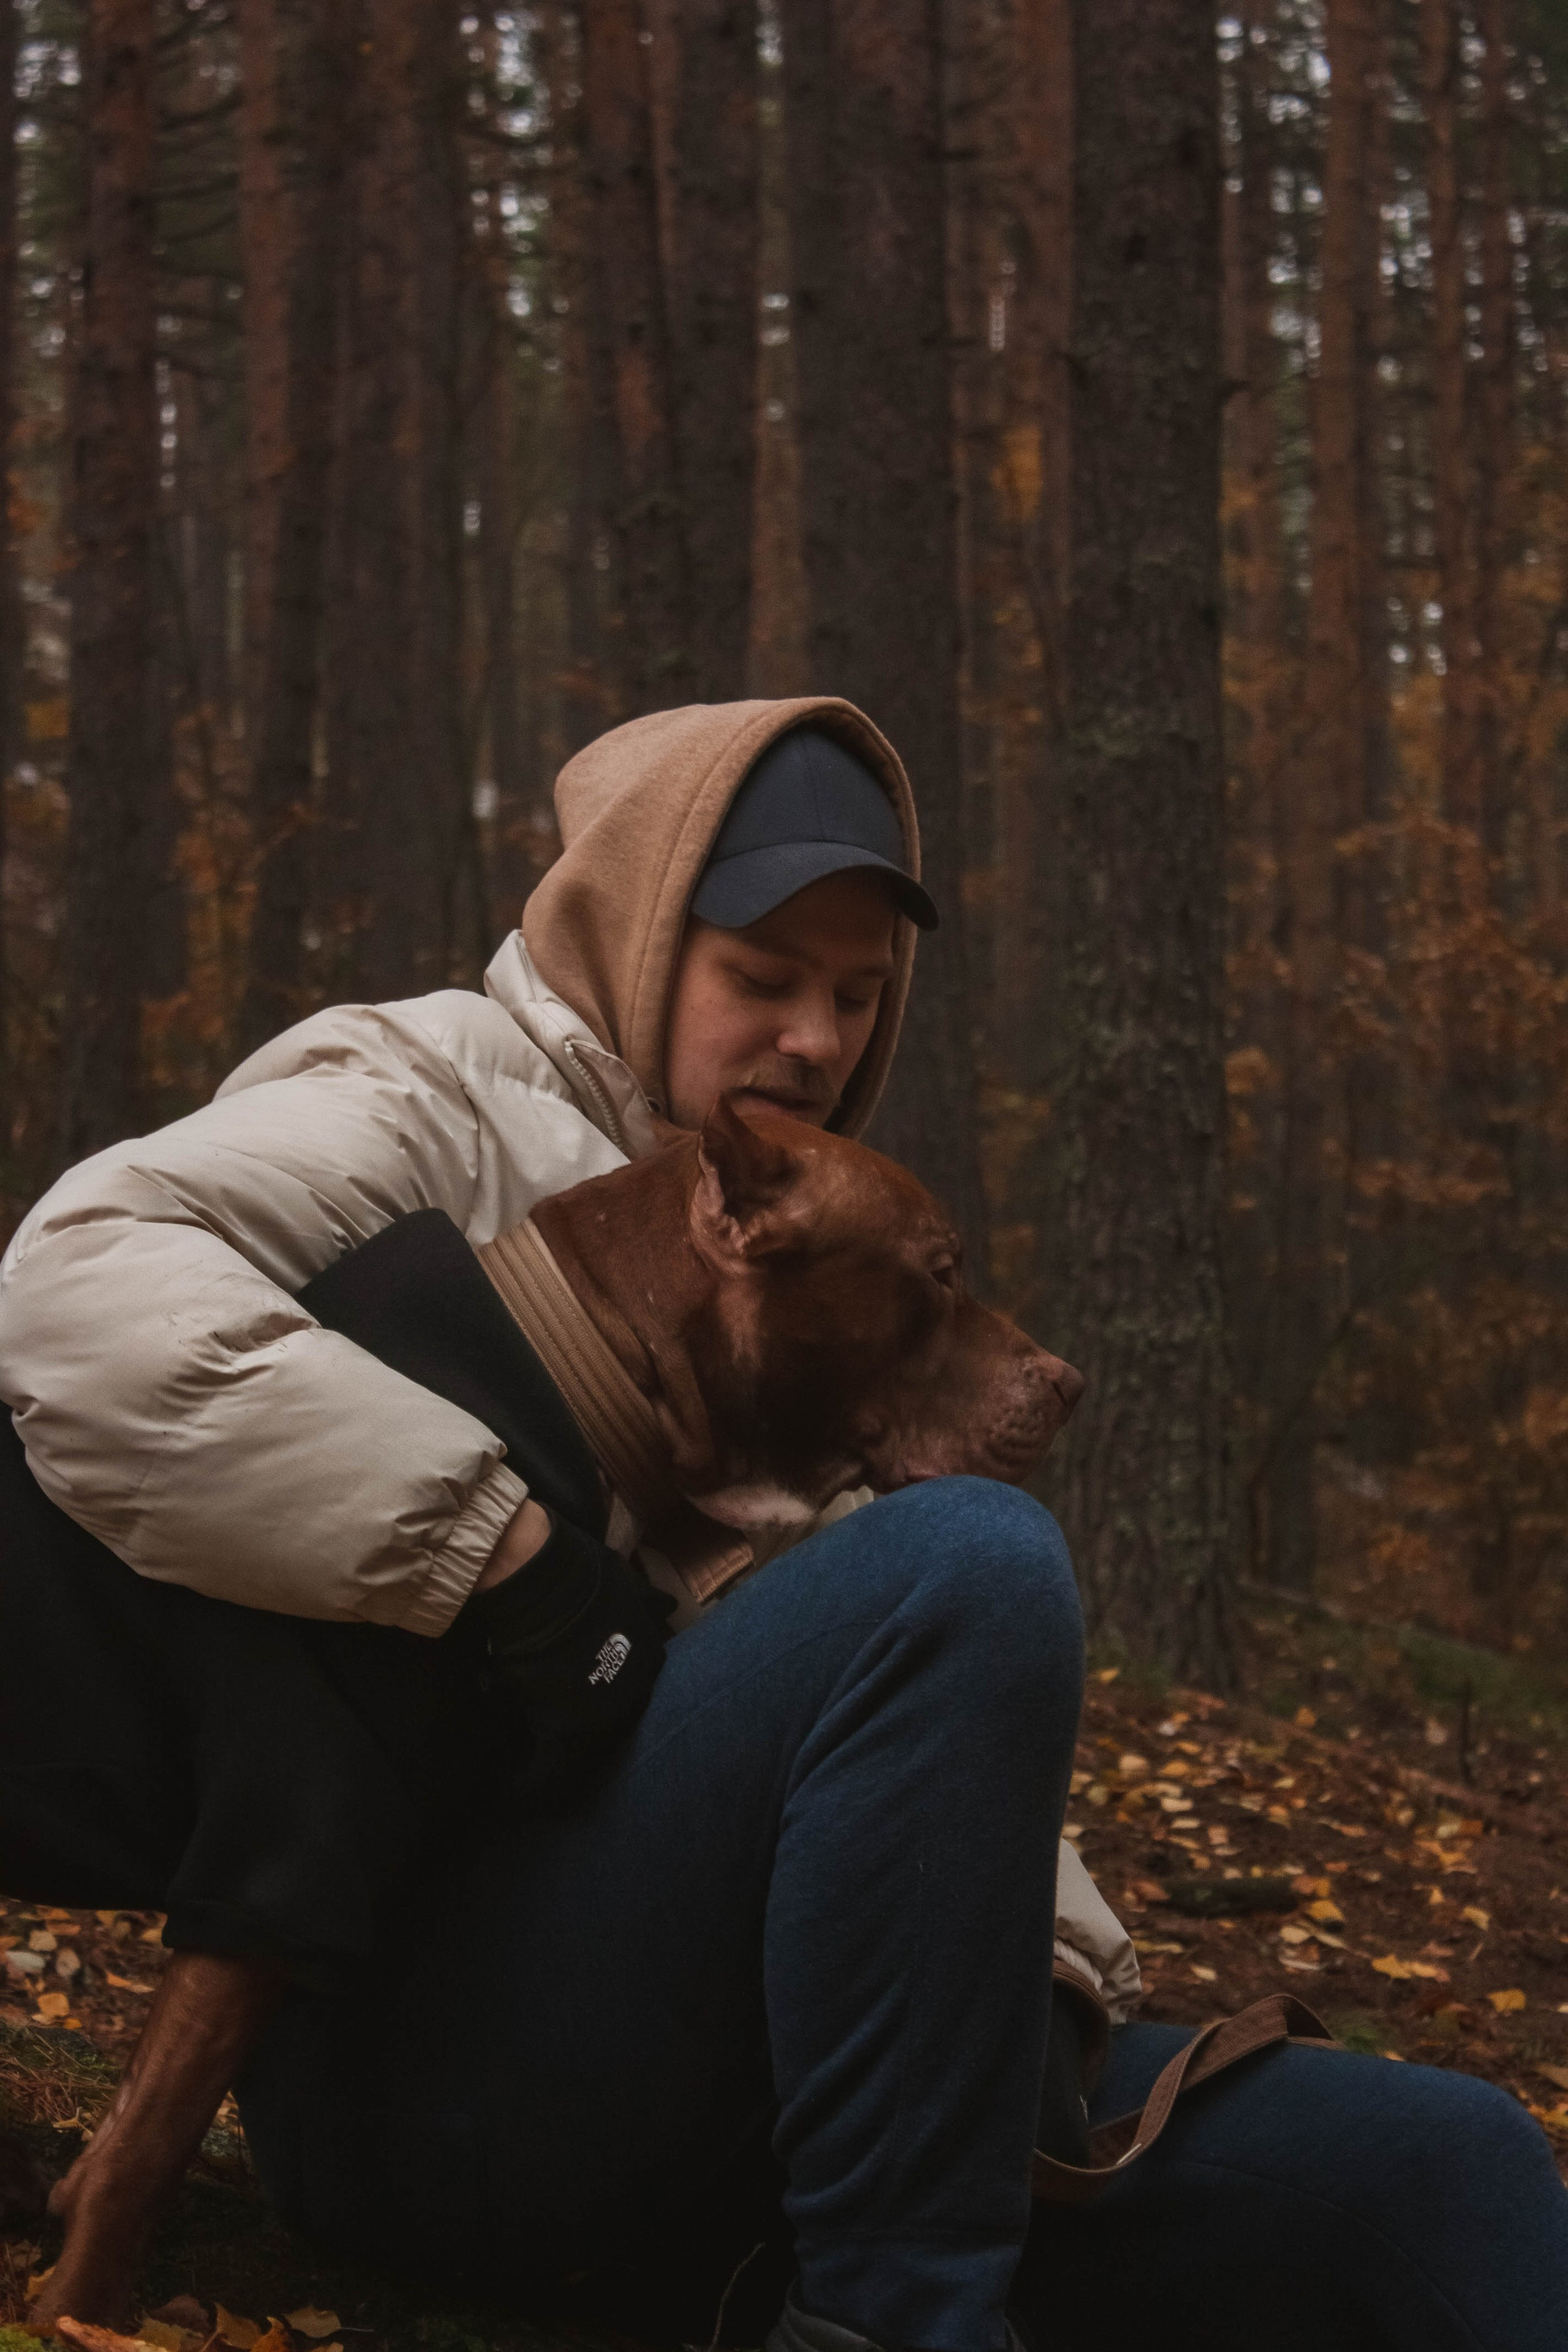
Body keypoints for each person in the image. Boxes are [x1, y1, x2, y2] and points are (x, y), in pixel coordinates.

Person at [2, 696, 1565, 2352]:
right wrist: (505, 1552)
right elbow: (79, 1293)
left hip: (782, 2080)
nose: (816, 1038)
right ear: (640, 930)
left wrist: (1035, 1989)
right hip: (430, 2061)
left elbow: (885, 1750)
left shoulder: (820, 1290)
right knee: (966, 1564)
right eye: (764, 975)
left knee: (1450, 2164)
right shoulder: (417, 1105)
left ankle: (881, 2253)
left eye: (858, 995)